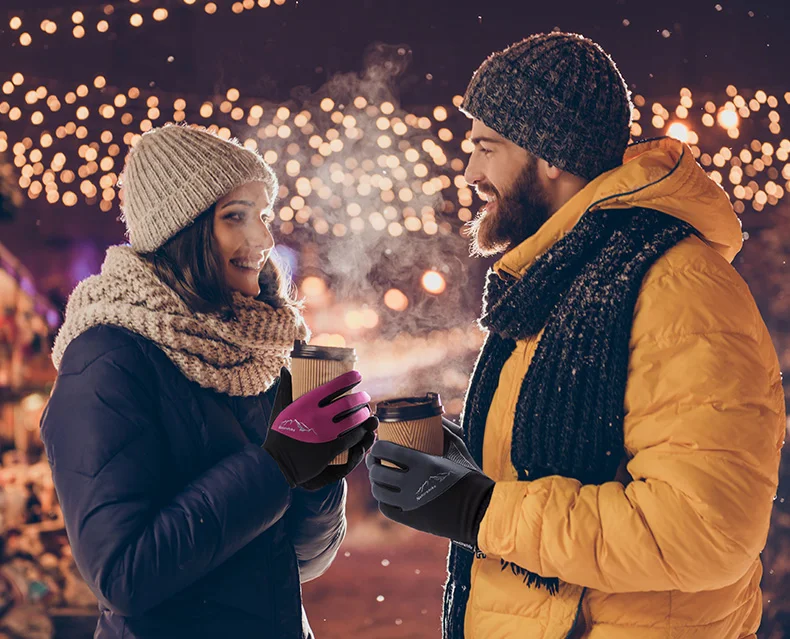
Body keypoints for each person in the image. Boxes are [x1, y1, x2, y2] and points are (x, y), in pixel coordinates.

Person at [367, 32, 785, 639]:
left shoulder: (678, 287)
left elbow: (703, 530)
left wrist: (482, 509)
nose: (472, 172)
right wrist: (466, 466)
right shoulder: (555, 280)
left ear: (550, 154)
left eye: (487, 147)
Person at [40, 123, 377, 639]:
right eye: (234, 217)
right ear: (181, 230)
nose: (262, 239)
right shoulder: (108, 356)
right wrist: (277, 464)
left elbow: (298, 562)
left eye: (261, 216)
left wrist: (319, 476)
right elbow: (123, 576)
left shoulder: (255, 349)